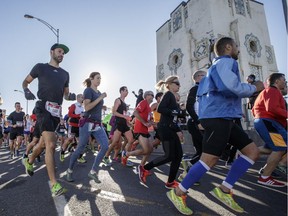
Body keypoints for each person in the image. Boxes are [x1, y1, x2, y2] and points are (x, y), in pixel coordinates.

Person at [166, 37, 264, 215]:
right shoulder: (225, 62)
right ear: (228, 47)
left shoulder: (215, 67)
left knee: (252, 152)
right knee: (209, 160)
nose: (238, 49)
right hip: (218, 118)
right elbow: (230, 87)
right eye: (236, 46)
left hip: (224, 117)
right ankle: (178, 192)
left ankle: (224, 189)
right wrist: (253, 87)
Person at [22, 43, 76, 197]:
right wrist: (26, 90)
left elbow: (66, 94)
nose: (61, 54)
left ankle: (30, 161)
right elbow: (25, 81)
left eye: (63, 53)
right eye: (59, 51)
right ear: (51, 52)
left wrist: (69, 97)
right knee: (51, 144)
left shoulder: (65, 74)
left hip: (56, 112)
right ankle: (54, 184)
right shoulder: (40, 67)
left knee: (42, 145)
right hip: (43, 108)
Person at [139, 75, 185, 189]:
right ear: (169, 84)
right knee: (169, 156)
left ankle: (170, 182)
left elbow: (173, 117)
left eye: (179, 83)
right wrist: (176, 111)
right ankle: (145, 168)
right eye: (177, 83)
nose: (179, 85)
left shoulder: (173, 98)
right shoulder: (168, 94)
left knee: (178, 156)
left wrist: (180, 114)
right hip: (165, 128)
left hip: (171, 128)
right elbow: (160, 109)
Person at [65, 72, 108, 183]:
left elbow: (95, 105)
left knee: (105, 146)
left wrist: (101, 105)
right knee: (81, 147)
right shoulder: (88, 90)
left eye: (100, 78)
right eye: (97, 78)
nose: (99, 80)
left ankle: (93, 172)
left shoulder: (98, 92)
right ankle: (69, 171)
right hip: (87, 122)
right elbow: (87, 107)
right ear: (91, 79)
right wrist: (100, 98)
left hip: (97, 123)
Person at [252, 73, 287, 187]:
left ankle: (245, 156)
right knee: (280, 148)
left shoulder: (268, 92)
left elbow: (253, 110)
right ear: (277, 81)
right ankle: (268, 174)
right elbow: (271, 108)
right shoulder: (273, 91)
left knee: (271, 149)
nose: (285, 82)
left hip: (266, 122)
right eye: (283, 80)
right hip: (269, 122)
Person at [124, 91, 154, 176]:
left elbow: (149, 120)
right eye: (151, 95)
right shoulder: (143, 102)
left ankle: (141, 167)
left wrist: (152, 123)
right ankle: (127, 154)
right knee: (146, 150)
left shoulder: (148, 107)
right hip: (139, 129)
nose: (153, 96)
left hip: (145, 130)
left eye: (153, 95)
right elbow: (135, 113)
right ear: (146, 96)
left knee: (150, 150)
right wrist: (144, 123)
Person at [103, 86, 134, 166]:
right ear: (121, 91)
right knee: (114, 142)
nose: (127, 92)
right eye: (126, 90)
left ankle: (124, 158)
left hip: (124, 124)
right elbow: (114, 112)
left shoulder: (125, 104)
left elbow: (124, 115)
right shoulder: (118, 100)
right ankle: (106, 157)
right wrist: (124, 117)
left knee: (131, 140)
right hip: (118, 124)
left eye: (127, 91)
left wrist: (129, 123)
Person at [60, 94, 86, 163]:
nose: (83, 98)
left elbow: (82, 116)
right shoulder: (74, 105)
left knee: (80, 142)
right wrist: (78, 115)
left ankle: (80, 157)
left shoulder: (83, 107)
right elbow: (69, 114)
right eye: (81, 97)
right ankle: (62, 152)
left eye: (83, 97)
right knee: (69, 140)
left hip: (79, 126)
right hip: (72, 126)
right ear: (77, 98)